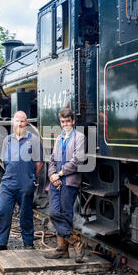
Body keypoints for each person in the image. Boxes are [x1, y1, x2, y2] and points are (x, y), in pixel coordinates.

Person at [0, 111, 44, 250]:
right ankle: (1, 243)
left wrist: (31, 176)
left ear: (26, 123)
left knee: (26, 213)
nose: (20, 124)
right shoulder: (7, 140)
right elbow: (5, 161)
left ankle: (28, 242)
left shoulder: (33, 140)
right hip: (8, 182)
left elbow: (40, 162)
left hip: (26, 182)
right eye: (17, 121)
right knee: (3, 211)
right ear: (13, 122)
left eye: (23, 121)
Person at [44, 108, 86, 263]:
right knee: (54, 213)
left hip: (69, 181)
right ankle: (76, 241)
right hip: (56, 181)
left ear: (73, 121)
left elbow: (77, 160)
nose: (65, 124)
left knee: (66, 214)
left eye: (68, 121)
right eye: (62, 122)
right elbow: (53, 160)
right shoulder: (59, 137)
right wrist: (52, 176)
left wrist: (59, 174)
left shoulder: (79, 137)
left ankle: (62, 249)